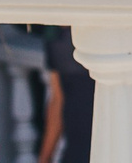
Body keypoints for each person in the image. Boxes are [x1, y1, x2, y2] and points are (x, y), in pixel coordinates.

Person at [36, 27, 94, 163]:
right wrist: (44, 158)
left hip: (110, 145)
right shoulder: (55, 34)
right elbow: (57, 100)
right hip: (77, 150)